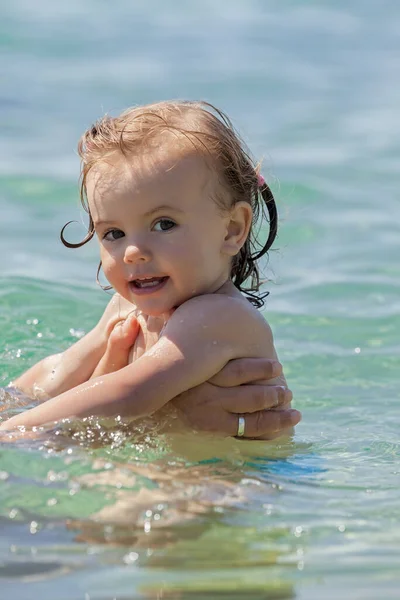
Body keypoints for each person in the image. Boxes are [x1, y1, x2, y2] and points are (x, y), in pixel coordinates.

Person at [0, 100, 301, 439]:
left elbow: (129, 394)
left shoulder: (221, 317)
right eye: (113, 233)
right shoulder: (124, 308)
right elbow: (56, 374)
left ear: (232, 228)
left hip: (226, 485)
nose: (132, 252)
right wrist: (9, 407)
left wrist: (10, 434)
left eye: (163, 224)